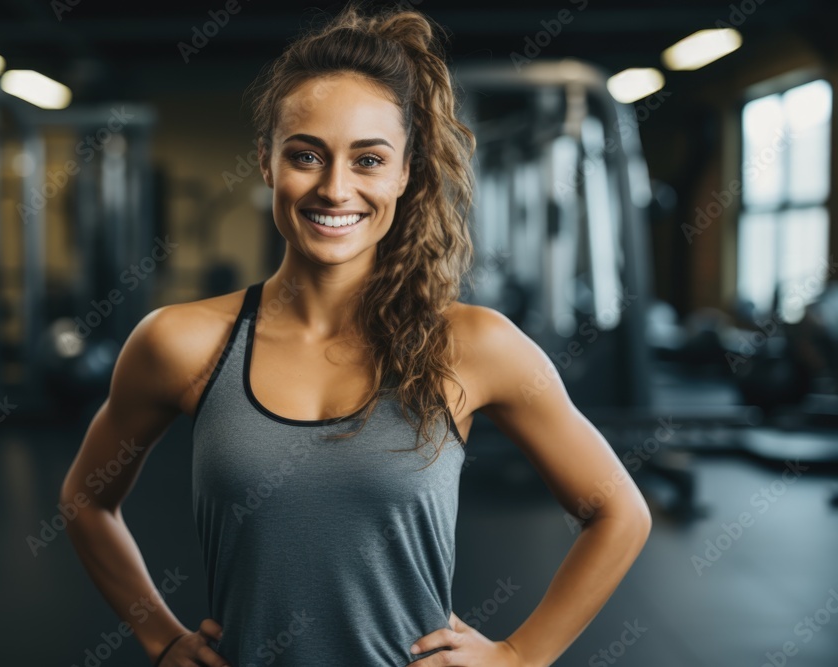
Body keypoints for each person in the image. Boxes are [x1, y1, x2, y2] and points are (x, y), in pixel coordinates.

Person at [60, 3, 652, 666]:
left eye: (368, 160)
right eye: (306, 156)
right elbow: (85, 500)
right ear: (266, 163)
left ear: (404, 172)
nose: (336, 188)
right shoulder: (181, 342)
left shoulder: (474, 345)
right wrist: (162, 638)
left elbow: (619, 513)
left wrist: (519, 655)